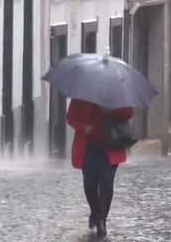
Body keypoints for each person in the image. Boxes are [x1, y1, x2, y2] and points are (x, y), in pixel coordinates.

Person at [66, 98, 134, 238]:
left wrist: (111, 110)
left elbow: (128, 112)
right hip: (88, 147)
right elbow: (71, 117)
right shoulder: (83, 93)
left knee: (106, 183)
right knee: (90, 183)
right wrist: (84, 127)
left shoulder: (116, 93)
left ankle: (102, 220)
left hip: (111, 145)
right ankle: (95, 212)